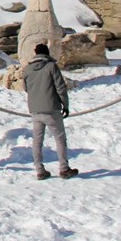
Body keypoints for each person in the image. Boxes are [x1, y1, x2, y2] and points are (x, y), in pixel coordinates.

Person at [23, 43, 79, 180]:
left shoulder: (27, 69)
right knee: (60, 139)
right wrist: (65, 105)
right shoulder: (51, 66)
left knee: (37, 141)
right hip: (51, 107)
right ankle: (64, 168)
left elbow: (25, 88)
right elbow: (60, 87)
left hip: (35, 109)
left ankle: (39, 170)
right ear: (47, 53)